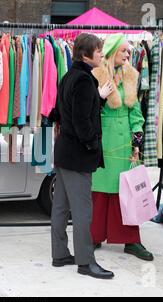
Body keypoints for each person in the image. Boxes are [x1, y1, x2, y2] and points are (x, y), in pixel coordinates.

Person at [51, 33, 115, 279]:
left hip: (65, 151)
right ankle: (86, 263)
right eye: (98, 51)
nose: (101, 54)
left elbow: (60, 113)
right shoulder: (84, 80)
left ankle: (59, 254)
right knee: (81, 211)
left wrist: (98, 99)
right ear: (86, 54)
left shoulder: (69, 76)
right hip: (77, 155)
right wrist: (90, 145)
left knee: (60, 207)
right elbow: (81, 122)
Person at [90, 33, 154, 261]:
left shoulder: (130, 75)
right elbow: (87, 109)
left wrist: (137, 136)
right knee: (99, 191)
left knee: (127, 191)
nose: (129, 54)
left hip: (125, 140)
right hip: (103, 139)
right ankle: (94, 235)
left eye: (129, 50)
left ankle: (131, 240)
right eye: (125, 50)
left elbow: (135, 110)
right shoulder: (95, 75)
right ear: (112, 51)